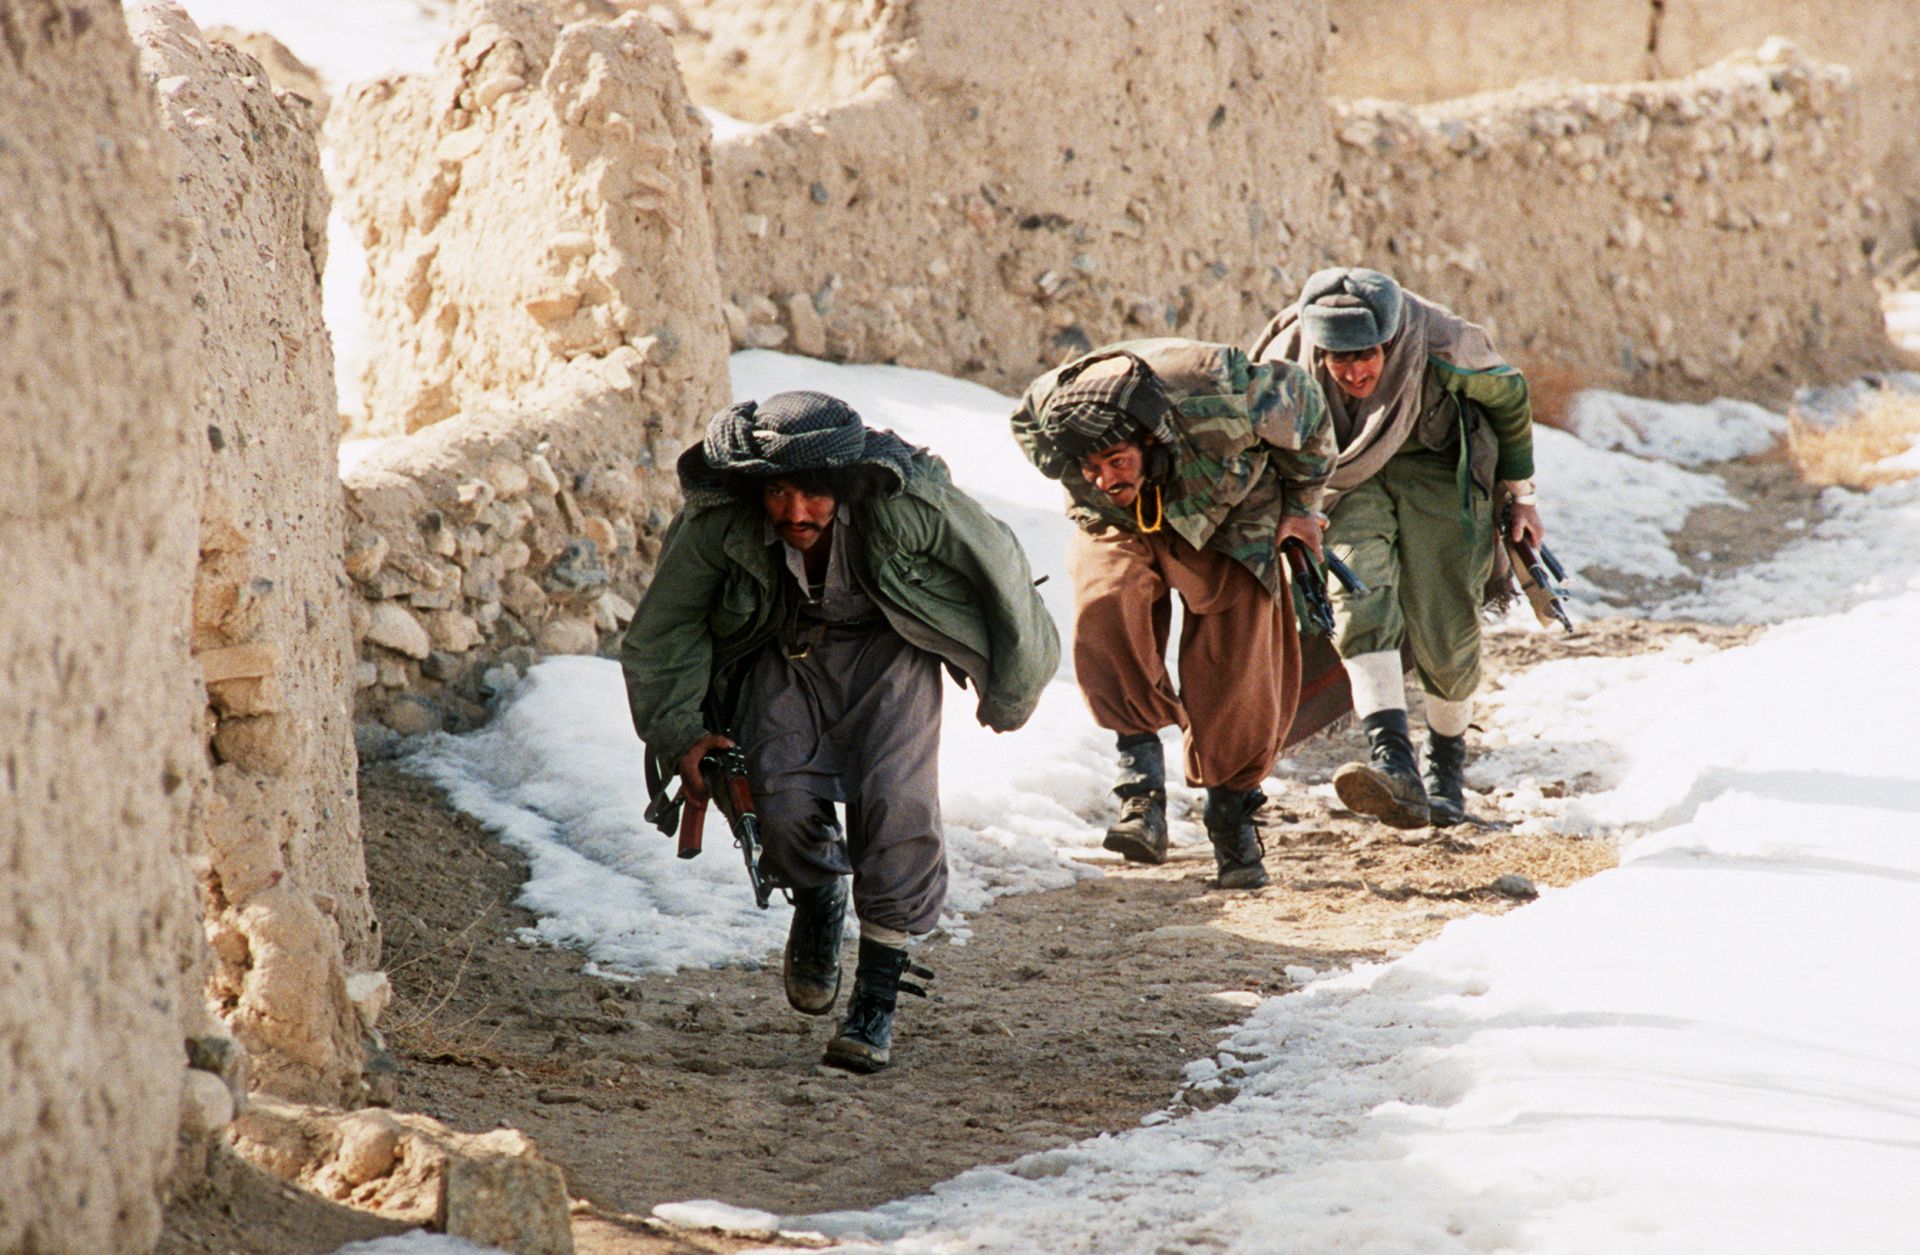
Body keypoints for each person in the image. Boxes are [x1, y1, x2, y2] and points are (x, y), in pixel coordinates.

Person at [622, 391, 1059, 1072]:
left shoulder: (906, 501)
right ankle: (819, 891)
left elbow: (999, 565)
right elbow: (664, 629)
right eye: (780, 493)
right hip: (784, 655)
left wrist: (1014, 687)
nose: (796, 513)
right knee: (778, 799)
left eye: (815, 495)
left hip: (891, 652)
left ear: (844, 485)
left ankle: (875, 997)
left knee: (896, 803)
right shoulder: (720, 525)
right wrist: (682, 729)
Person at [1010, 340, 1334, 888]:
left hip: (1231, 509)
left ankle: (1232, 816)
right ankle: (1140, 791)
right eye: (1091, 465)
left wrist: (1302, 508)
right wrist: (1090, 486)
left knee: (1240, 659)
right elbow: (1029, 428)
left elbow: (1308, 408)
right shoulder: (1051, 408)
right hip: (1125, 519)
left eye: (1117, 461)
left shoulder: (1223, 389)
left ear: (1149, 437)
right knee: (1104, 596)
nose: (1105, 475)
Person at [1250, 267, 1546, 829]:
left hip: (1435, 467)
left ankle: (1445, 767)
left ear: (1390, 342)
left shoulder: (1442, 343)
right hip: (1344, 479)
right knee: (1357, 597)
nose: (1353, 371)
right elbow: (1259, 435)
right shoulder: (1285, 359)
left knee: (1446, 622)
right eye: (1338, 359)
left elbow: (1510, 399)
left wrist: (1523, 497)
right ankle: (1395, 764)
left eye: (1366, 355)